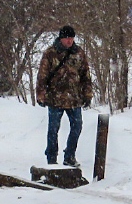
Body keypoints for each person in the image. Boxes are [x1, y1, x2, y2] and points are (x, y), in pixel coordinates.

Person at [35, 25, 93, 168]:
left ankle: (70, 156)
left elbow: (85, 75)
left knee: (77, 126)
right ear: (61, 38)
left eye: (72, 38)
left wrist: (87, 94)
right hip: (55, 98)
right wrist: (41, 94)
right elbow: (42, 76)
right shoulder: (50, 53)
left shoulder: (79, 53)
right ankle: (52, 158)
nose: (69, 41)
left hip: (74, 98)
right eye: (67, 38)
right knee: (53, 129)